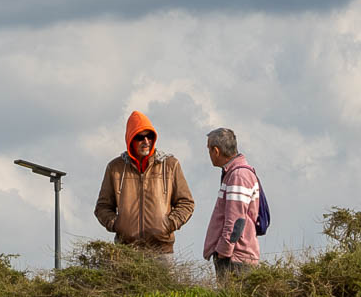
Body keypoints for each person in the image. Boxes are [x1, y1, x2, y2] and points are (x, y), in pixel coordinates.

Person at [94, 110, 195, 253]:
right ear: (130, 140)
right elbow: (102, 206)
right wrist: (117, 224)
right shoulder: (115, 168)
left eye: (150, 136)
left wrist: (169, 224)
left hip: (162, 250)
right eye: (140, 137)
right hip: (126, 251)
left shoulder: (170, 165)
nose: (146, 141)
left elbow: (186, 202)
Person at [201, 127, 261, 281]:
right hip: (237, 257)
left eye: (209, 150)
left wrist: (223, 252)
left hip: (235, 259)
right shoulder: (235, 173)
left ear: (216, 151)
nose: (209, 154)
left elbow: (235, 221)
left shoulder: (238, 175)